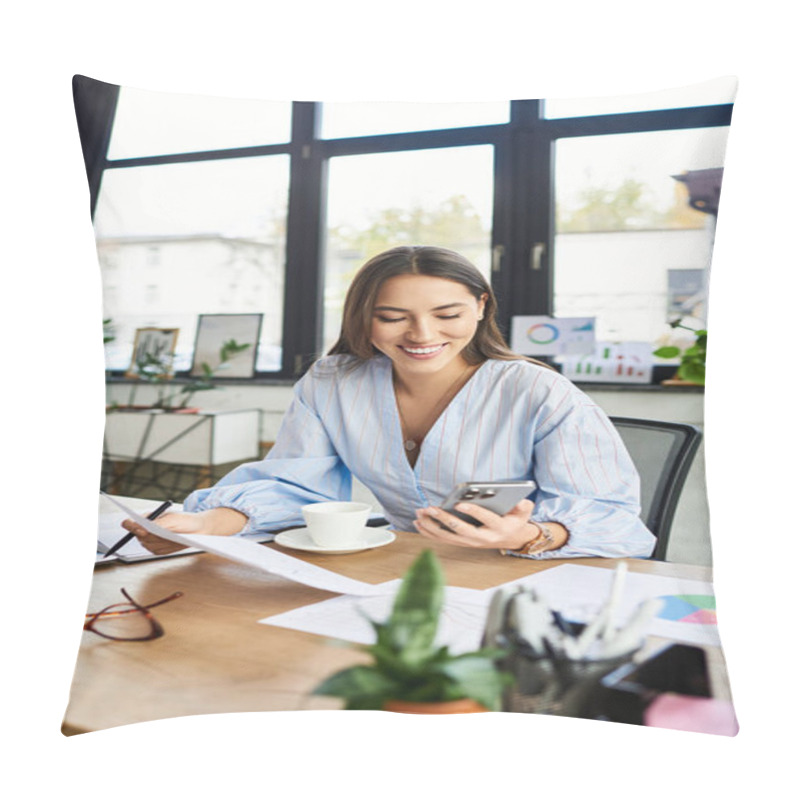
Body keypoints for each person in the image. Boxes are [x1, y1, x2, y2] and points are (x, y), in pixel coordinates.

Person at [124, 245, 655, 560]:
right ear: (363, 316)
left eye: (447, 313)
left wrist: (533, 533)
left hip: (522, 574)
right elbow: (293, 486)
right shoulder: (333, 381)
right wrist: (207, 528)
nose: (422, 334)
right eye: (393, 316)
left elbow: (614, 517)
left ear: (480, 305)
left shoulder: (538, 391)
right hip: (403, 569)